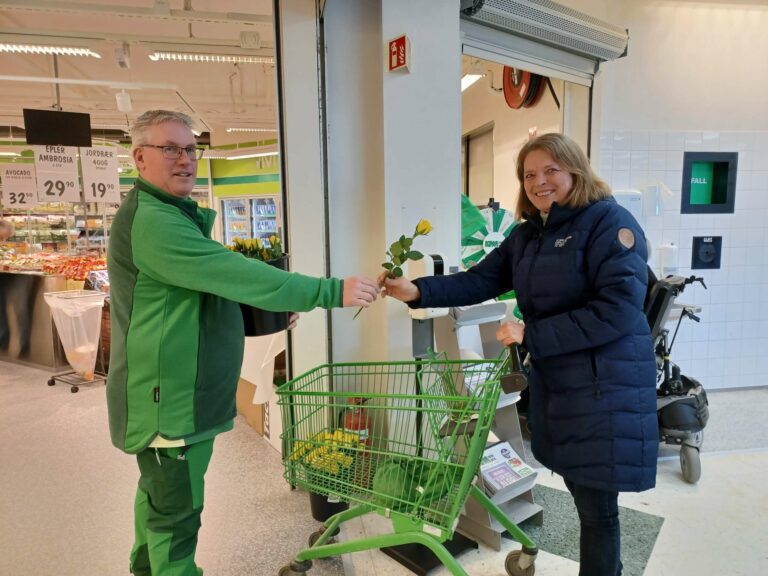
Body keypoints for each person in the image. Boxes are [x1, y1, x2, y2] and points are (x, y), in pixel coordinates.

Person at [107, 110, 379, 576]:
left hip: (175, 397)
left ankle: (144, 570)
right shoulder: (154, 221)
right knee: (176, 514)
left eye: (190, 148)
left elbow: (195, 294)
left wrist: (259, 314)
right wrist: (328, 291)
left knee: (159, 501)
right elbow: (231, 273)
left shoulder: (171, 214)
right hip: (167, 404)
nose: (184, 159)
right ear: (139, 157)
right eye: (169, 148)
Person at [381, 133, 657, 576]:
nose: (539, 182)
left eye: (551, 170)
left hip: (605, 388)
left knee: (596, 507)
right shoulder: (529, 235)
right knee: (584, 491)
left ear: (575, 170)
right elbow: (480, 279)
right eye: (529, 174)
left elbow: (619, 311)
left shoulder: (609, 222)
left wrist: (531, 332)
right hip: (564, 385)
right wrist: (418, 290)